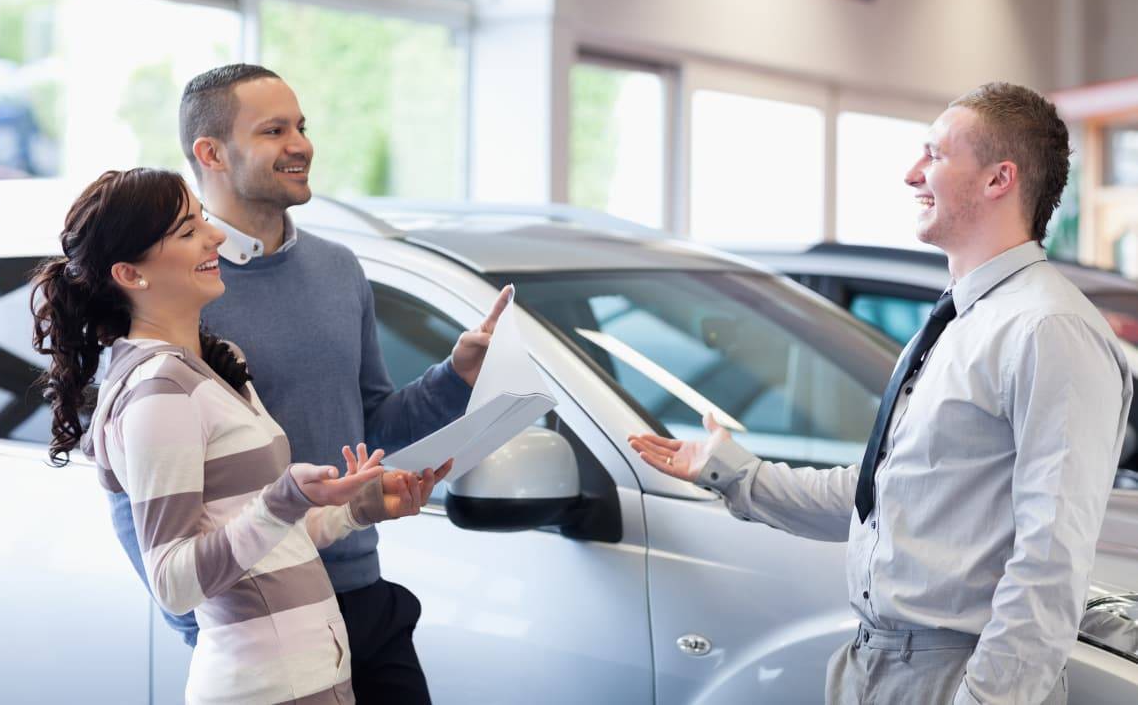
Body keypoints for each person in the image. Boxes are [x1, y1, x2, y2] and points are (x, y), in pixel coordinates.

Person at [630, 82, 1133, 704]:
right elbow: (882, 497)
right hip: (879, 666)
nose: (911, 174)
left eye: (936, 154)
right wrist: (733, 473)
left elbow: (1051, 559)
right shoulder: (959, 322)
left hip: (955, 678)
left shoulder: (1047, 329)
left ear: (999, 179)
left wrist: (987, 700)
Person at [106, 64, 511, 703]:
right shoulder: (178, 286)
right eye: (274, 130)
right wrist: (198, 620)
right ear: (210, 152)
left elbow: (369, 427)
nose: (301, 144)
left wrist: (456, 375)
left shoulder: (338, 269)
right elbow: (138, 489)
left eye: (301, 126)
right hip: (256, 614)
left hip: (357, 585)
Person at [32, 168, 442, 703]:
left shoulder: (215, 364)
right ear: (131, 275)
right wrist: (284, 498)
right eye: (187, 230)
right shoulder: (159, 391)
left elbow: (261, 543)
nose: (215, 235)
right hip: (267, 688)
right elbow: (174, 581)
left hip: (313, 676)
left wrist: (357, 509)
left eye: (202, 218)